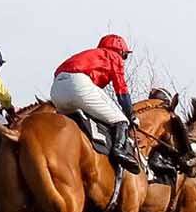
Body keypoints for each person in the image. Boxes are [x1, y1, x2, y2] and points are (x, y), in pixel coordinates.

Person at [51, 34, 141, 172]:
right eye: (125, 56)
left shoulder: (92, 55)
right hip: (78, 84)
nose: (124, 60)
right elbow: (121, 90)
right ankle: (119, 150)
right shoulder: (114, 56)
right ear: (120, 51)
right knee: (121, 120)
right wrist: (130, 115)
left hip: (57, 90)